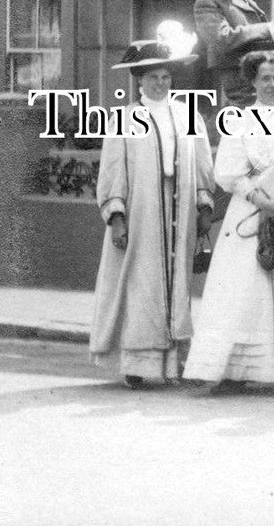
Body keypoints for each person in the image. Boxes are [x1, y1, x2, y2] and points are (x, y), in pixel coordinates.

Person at [183, 50, 274, 391]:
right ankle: (232, 372)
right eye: (265, 78)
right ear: (252, 82)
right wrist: (263, 201)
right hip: (248, 210)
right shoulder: (239, 121)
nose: (272, 84)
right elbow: (229, 174)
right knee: (241, 290)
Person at [91, 39, 214, 388]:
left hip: (180, 210)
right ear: (139, 81)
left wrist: (203, 205)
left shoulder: (188, 115)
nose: (160, 83)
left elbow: (203, 164)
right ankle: (135, 363)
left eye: (165, 76)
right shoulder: (125, 119)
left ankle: (174, 364)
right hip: (142, 210)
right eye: (153, 77)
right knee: (140, 284)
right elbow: (113, 171)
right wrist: (117, 217)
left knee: (178, 283)